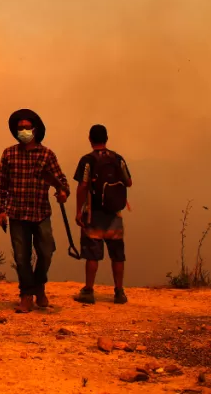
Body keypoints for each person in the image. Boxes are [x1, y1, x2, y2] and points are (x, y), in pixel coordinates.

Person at [0, 109, 70, 313]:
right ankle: (26, 295)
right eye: (20, 128)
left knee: (46, 252)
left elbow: (62, 182)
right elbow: (1, 184)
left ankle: (39, 286)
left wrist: (63, 193)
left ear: (35, 130)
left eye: (27, 128)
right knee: (21, 257)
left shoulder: (47, 155)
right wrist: (1, 210)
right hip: (17, 214)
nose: (24, 131)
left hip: (40, 213)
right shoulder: (8, 154)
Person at [73, 124, 133, 305]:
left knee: (92, 255)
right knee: (117, 254)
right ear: (106, 138)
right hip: (115, 214)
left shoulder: (87, 160)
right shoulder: (117, 158)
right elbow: (128, 182)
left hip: (94, 213)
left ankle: (89, 291)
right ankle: (119, 292)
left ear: (90, 139)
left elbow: (82, 186)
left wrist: (78, 211)